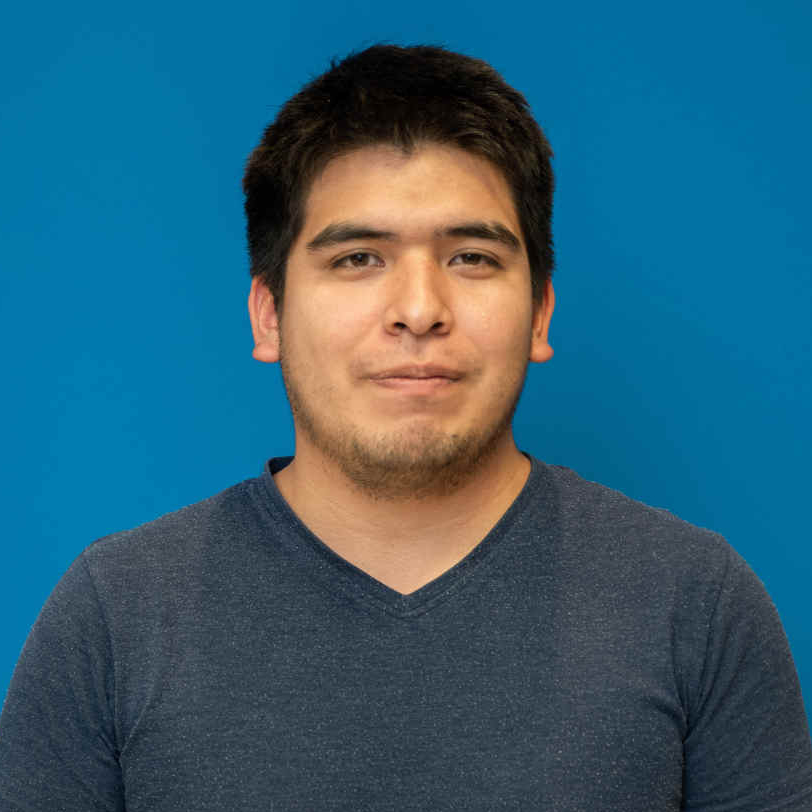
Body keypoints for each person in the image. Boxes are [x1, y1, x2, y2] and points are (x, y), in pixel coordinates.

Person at [1, 44, 810, 811]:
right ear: (269, 314)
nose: (420, 310)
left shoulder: (696, 602)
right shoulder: (114, 615)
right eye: (358, 258)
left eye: (472, 258)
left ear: (540, 312)